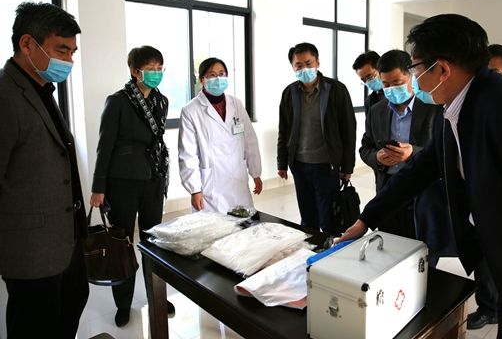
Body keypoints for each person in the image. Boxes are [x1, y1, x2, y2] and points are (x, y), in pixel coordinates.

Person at [339, 14, 502, 339]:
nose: (415, 79)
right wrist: (367, 218)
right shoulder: (454, 109)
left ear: (442, 69)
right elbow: (421, 169)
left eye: (416, 69)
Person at [0, 2, 89, 337]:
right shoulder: (5, 95)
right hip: (31, 249)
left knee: (69, 308)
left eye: (72, 53)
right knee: (35, 325)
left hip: (65, 238)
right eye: (61, 50)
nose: (69, 61)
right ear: (27, 44)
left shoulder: (40, 88)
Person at [89, 45, 173, 327]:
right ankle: (123, 303)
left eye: (159, 68)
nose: (156, 73)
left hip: (153, 179)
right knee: (121, 244)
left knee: (153, 242)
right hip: (122, 181)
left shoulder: (162, 101)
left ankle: (156, 296)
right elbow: (105, 146)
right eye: (150, 68)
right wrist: (98, 187)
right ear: (135, 71)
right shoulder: (118, 101)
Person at [358, 49, 454, 267]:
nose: (391, 89)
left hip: (424, 194)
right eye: (386, 84)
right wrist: (377, 157)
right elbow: (365, 147)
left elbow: (446, 149)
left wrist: (413, 153)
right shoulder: (377, 110)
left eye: (397, 83)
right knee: (389, 252)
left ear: (411, 76)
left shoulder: (434, 107)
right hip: (388, 191)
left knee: (424, 256)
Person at [467, 43, 502, 330]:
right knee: (485, 264)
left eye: (493, 73)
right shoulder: (478, 109)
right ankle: (488, 307)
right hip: (483, 208)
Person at [277, 42, 356, 235]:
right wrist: (282, 162)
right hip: (299, 165)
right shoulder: (289, 92)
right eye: (298, 65)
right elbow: (284, 130)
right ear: (293, 67)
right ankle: (311, 249)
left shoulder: (336, 89)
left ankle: (332, 251)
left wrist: (347, 166)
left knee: (329, 219)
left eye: (308, 63)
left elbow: (348, 129)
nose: (304, 69)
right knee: (307, 218)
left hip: (326, 166)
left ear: (317, 62)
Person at [179, 57, 262, 213]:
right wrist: (195, 189)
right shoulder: (191, 110)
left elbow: (250, 140)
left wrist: (256, 173)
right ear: (202, 79)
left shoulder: (236, 104)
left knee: (243, 222)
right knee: (214, 226)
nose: (218, 79)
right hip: (211, 185)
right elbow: (187, 154)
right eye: (212, 75)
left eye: (221, 74)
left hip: (237, 179)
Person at [352, 50, 384, 115]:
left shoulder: (398, 94)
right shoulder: (369, 101)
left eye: (369, 77)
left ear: (380, 69)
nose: (368, 82)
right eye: (364, 80)